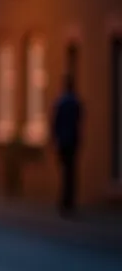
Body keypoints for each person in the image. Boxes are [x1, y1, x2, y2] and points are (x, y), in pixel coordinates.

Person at [51, 74, 82, 215]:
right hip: (72, 141)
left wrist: (55, 139)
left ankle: (64, 202)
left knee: (64, 172)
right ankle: (69, 202)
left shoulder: (61, 102)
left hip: (63, 142)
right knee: (71, 172)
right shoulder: (75, 102)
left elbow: (55, 123)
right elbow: (80, 120)